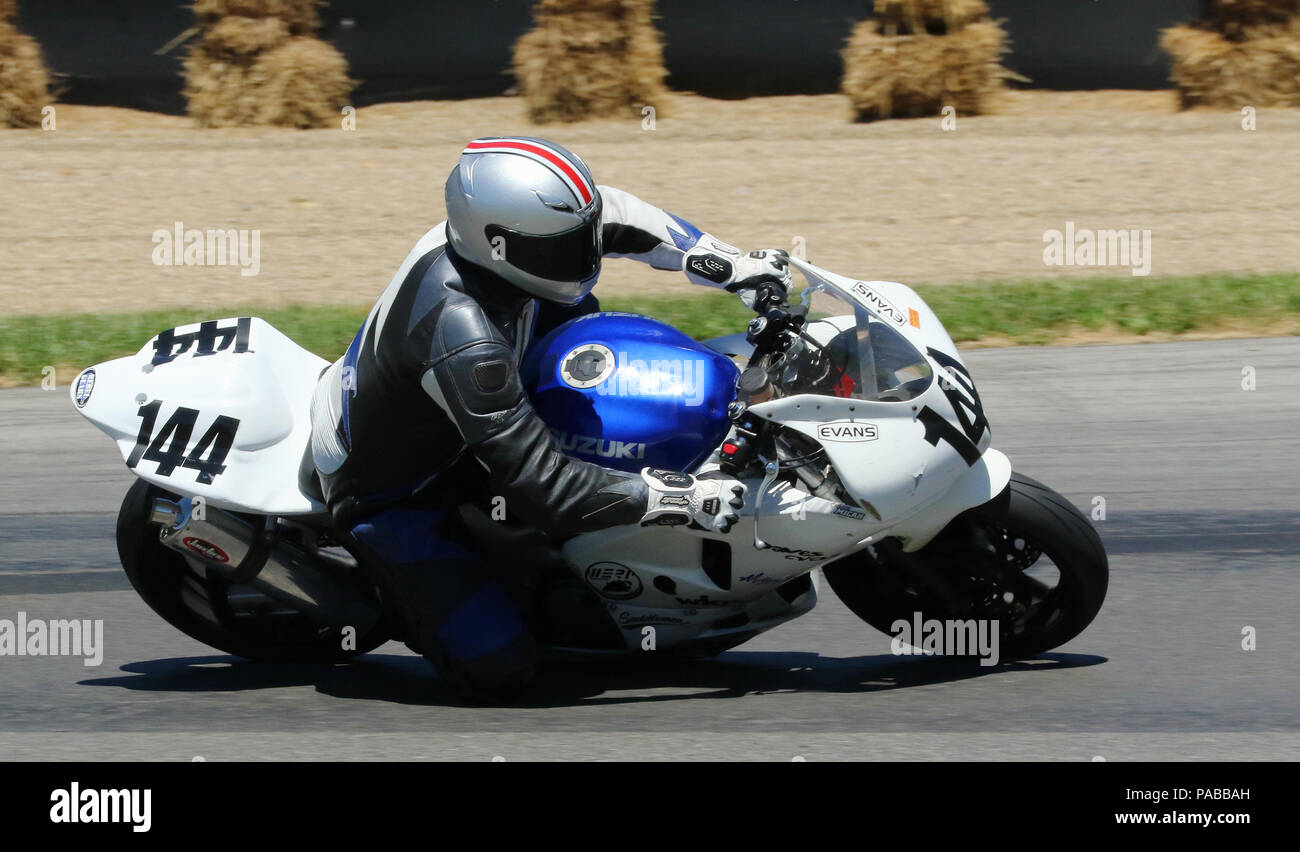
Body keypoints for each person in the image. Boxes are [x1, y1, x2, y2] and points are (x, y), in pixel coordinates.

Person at [309, 137, 791, 696]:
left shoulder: (508, 250)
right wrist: (677, 497)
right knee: (501, 668)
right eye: (562, 251)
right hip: (394, 489)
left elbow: (616, 215)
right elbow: (545, 487)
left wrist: (728, 263)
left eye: (582, 242)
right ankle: (398, 592)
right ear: (497, 245)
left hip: (464, 402)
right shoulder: (464, 337)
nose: (584, 260)